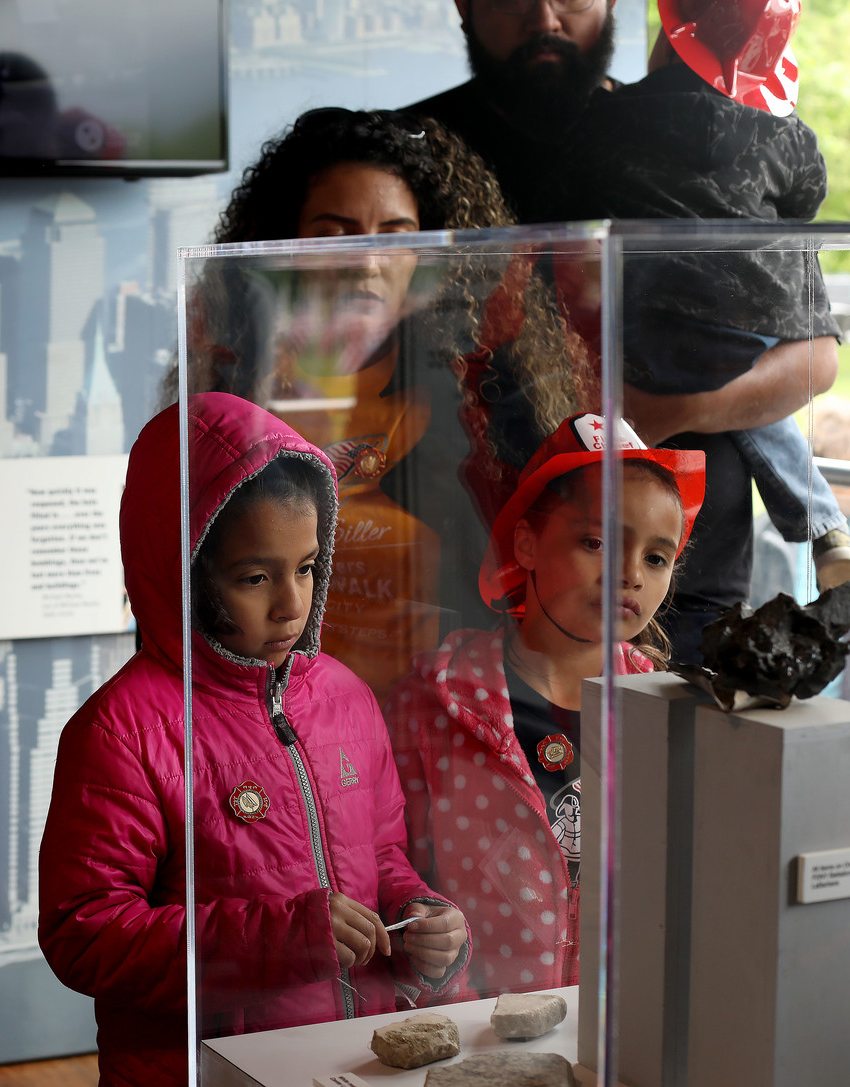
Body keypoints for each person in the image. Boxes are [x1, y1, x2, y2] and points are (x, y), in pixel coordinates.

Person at [39, 392, 469, 1087]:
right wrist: (278, 940)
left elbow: (381, 855)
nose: (291, 602)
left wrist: (423, 918)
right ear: (186, 570)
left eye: (305, 566)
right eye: (255, 577)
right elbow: (83, 932)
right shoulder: (123, 729)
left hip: (349, 1063)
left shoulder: (345, 698)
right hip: (206, 1071)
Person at [183, 107, 593, 688]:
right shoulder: (235, 396)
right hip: (273, 726)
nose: (367, 264)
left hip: (442, 725)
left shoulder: (486, 401)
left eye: (397, 240)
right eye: (333, 236)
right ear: (284, 245)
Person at [387, 412, 705, 997]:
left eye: (657, 558)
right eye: (597, 542)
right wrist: (427, 946)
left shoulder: (667, 711)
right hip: (476, 1031)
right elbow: (391, 865)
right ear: (527, 543)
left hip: (621, 1029)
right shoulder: (435, 704)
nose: (629, 575)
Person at [551, 0, 849, 592]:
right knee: (753, 396)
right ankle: (824, 528)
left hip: (642, 328)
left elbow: (574, 192)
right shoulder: (786, 134)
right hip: (746, 327)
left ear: (669, 34)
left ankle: (823, 528)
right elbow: (807, 201)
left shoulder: (607, 117)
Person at [405, 0, 620, 223]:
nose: (545, 22)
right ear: (465, 9)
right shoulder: (405, 149)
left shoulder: (655, 134)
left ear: (611, 4)